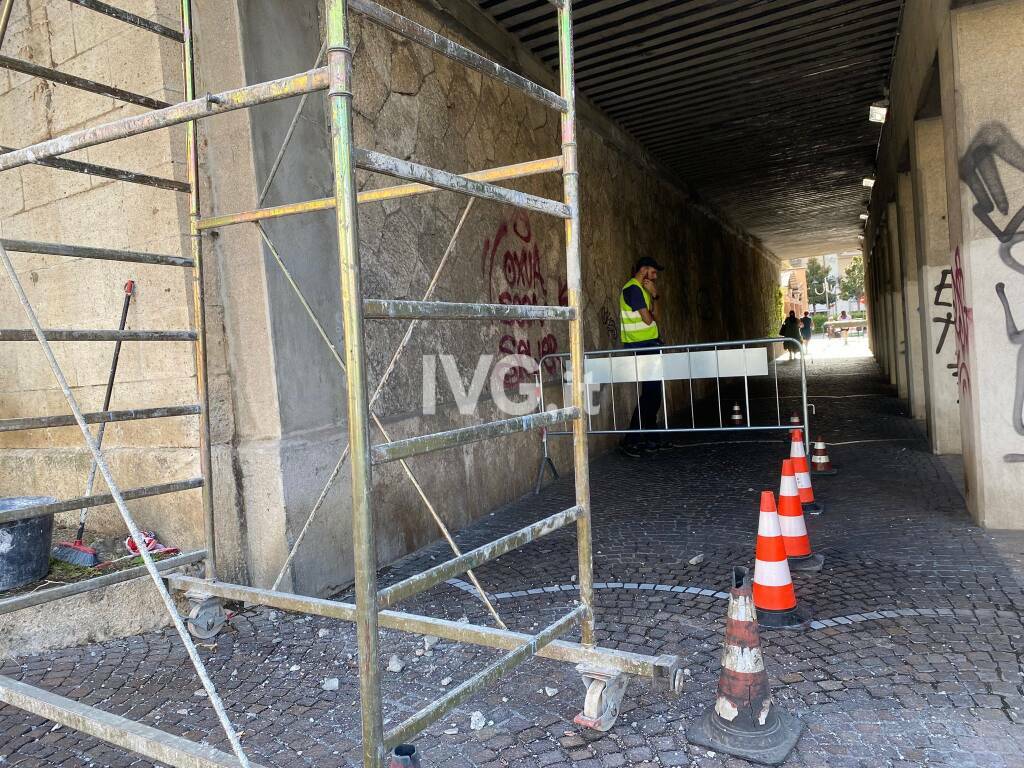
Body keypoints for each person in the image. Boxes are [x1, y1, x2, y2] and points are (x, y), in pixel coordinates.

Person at [619, 256, 665, 457]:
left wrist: (654, 297)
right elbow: (648, 320)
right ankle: (632, 440)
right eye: (653, 272)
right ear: (644, 270)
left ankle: (650, 438)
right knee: (650, 394)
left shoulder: (642, 291)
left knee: (654, 394)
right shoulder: (633, 289)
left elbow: (658, 318)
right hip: (643, 346)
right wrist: (654, 296)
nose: (655, 277)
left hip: (649, 345)